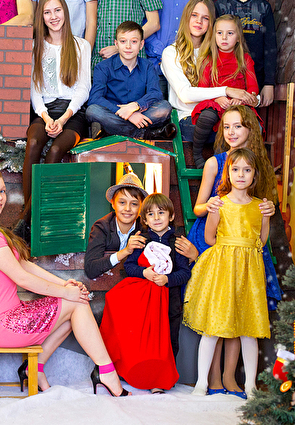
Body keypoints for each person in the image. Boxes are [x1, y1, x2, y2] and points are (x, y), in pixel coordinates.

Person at [0, 168, 128, 396]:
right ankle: (106, 371)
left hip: (7, 316)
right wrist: (67, 294)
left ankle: (35, 369)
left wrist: (65, 285)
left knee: (73, 308)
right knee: (77, 303)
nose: (0, 197)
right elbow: (22, 278)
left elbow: (25, 265)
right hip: (3, 324)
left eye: (2, 191)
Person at [180, 105, 282, 397]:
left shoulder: (257, 163)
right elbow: (199, 207)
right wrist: (210, 205)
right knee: (217, 310)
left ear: (250, 128)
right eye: (226, 127)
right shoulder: (217, 163)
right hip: (218, 238)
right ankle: (210, 378)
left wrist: (268, 210)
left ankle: (232, 377)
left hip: (247, 246)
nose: (232, 132)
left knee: (241, 312)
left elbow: (262, 209)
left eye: (238, 126)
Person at [15, 0, 91, 239]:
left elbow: (83, 88)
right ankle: (30, 219)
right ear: (42, 17)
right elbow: (34, 89)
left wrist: (64, 118)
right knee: (33, 143)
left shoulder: (81, 45)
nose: (53, 16)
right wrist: (47, 118)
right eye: (47, 12)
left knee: (57, 150)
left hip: (73, 113)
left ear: (65, 12)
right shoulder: (36, 46)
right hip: (45, 111)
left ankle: (28, 218)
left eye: (57, 10)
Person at [100, 192, 191, 392]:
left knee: (169, 339)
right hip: (147, 302)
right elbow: (129, 267)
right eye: (150, 214)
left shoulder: (177, 242)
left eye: (161, 213)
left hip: (170, 301)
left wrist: (167, 279)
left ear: (171, 216)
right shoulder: (141, 240)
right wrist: (144, 273)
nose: (156, 218)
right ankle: (144, 376)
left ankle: (163, 379)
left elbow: (185, 273)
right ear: (145, 219)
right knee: (147, 341)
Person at [161, 0, 256, 141]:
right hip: (189, 116)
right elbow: (185, 94)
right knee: (223, 131)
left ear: (211, 23)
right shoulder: (171, 53)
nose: (199, 21)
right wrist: (226, 90)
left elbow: (246, 86)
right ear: (186, 17)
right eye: (194, 15)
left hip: (222, 114)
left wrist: (252, 98)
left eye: (205, 18)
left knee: (245, 129)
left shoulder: (217, 52)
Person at [86, 21, 174, 140]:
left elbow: (156, 93)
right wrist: (127, 114)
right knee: (93, 111)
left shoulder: (147, 66)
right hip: (114, 113)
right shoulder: (103, 67)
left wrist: (136, 106)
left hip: (139, 112)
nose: (128, 46)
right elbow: (95, 98)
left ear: (141, 45)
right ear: (116, 44)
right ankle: (144, 133)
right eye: (123, 41)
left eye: (134, 41)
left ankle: (115, 131)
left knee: (164, 107)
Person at [190, 14, 259, 167]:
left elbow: (253, 87)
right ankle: (197, 154)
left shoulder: (244, 59)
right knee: (207, 116)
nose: (224, 37)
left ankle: (245, 163)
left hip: (238, 105)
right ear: (214, 35)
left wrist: (242, 99)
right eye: (220, 33)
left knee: (245, 124)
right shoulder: (209, 60)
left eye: (230, 33)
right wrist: (217, 98)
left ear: (238, 37)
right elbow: (202, 89)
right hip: (216, 102)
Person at [145, 0, 211, 96]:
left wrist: (184, 56)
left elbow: (206, 29)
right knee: (157, 109)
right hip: (156, 67)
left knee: (187, 108)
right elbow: (144, 26)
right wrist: (164, 54)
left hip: (189, 68)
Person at [215, 0, 278, 107]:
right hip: (226, 80)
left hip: (256, 79)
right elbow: (211, 46)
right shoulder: (219, 7)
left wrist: (269, 83)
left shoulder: (263, 7)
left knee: (250, 120)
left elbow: (270, 47)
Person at [83, 172, 147, 280]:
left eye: (134, 204)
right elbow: (91, 269)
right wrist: (126, 251)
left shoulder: (145, 228)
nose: (127, 208)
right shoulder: (101, 227)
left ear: (141, 206)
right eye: (122, 202)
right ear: (113, 203)